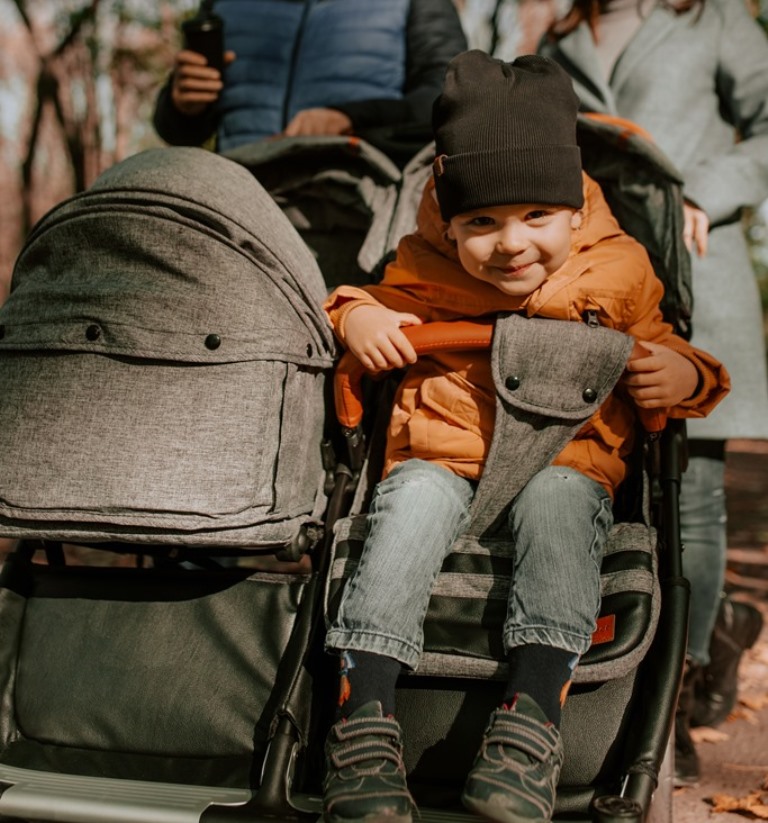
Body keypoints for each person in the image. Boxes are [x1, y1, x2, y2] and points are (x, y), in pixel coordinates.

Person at [320, 51, 729, 823]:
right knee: (408, 502)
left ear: (575, 209)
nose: (510, 243)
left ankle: (532, 718)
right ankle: (363, 716)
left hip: (564, 455)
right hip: (442, 454)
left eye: (536, 217)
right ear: (448, 220)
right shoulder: (424, 264)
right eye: (481, 222)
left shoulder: (620, 270)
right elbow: (359, 299)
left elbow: (671, 346)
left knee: (561, 499)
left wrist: (684, 373)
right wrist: (362, 317)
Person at [538, 0, 768, 786]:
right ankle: (622, 665)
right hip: (590, 283)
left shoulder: (717, 22)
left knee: (693, 495)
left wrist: (706, 191)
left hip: (699, 270)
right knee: (602, 483)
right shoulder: (560, 36)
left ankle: (682, 687)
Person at [151, 0, 468, 166]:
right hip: (235, 204)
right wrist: (181, 105)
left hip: (359, 212)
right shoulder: (223, 4)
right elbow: (178, 131)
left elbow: (452, 100)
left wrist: (350, 119)